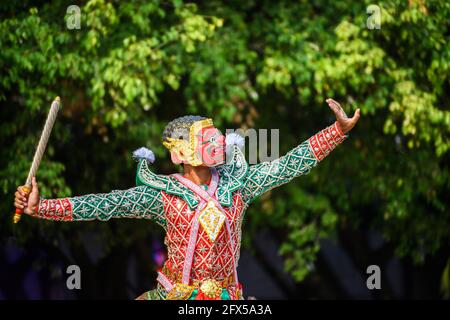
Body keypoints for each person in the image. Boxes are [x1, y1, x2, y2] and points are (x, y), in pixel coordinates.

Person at [14, 98, 360, 300]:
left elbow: (288, 166)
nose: (219, 142)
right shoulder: (164, 195)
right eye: (207, 138)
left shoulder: (239, 184)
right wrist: (41, 207)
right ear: (180, 152)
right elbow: (108, 204)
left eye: (216, 136)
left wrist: (337, 132)